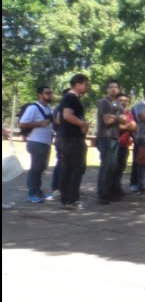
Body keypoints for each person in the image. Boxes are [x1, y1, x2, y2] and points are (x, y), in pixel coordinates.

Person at [58, 74, 91, 210]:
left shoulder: (68, 98)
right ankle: (72, 200)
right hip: (73, 139)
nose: (87, 87)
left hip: (67, 138)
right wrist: (82, 124)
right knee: (77, 168)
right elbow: (66, 115)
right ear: (78, 84)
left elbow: (60, 119)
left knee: (68, 168)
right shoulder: (71, 97)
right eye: (85, 84)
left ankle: (66, 199)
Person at [18, 85, 56, 203]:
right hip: (36, 142)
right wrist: (39, 123)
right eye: (47, 93)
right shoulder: (33, 108)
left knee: (40, 168)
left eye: (50, 93)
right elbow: (22, 124)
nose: (50, 95)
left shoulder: (49, 108)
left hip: (46, 142)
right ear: (40, 94)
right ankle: (32, 193)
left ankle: (37, 192)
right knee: (35, 168)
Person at [95, 79, 124, 203]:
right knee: (106, 165)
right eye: (111, 87)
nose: (113, 89)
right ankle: (102, 193)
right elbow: (107, 121)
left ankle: (110, 190)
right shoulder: (104, 102)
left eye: (115, 87)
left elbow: (124, 120)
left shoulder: (118, 103)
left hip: (115, 136)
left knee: (113, 166)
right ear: (107, 89)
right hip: (105, 137)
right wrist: (117, 118)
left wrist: (115, 117)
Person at [114, 93, 136, 198]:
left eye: (126, 100)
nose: (123, 102)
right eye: (121, 100)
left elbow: (134, 127)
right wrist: (127, 126)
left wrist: (125, 125)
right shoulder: (113, 112)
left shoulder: (128, 113)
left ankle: (117, 189)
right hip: (114, 144)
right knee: (112, 167)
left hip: (125, 144)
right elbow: (115, 127)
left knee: (121, 168)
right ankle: (109, 190)